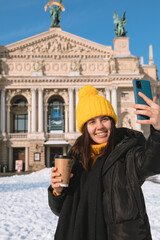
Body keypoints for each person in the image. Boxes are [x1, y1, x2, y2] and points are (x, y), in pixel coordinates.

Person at [48, 85, 160, 240]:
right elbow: (61, 210)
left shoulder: (127, 152)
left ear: (112, 122)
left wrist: (158, 130)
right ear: (85, 127)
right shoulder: (75, 160)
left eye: (104, 119)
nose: (99, 126)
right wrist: (58, 192)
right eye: (92, 121)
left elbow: (152, 163)